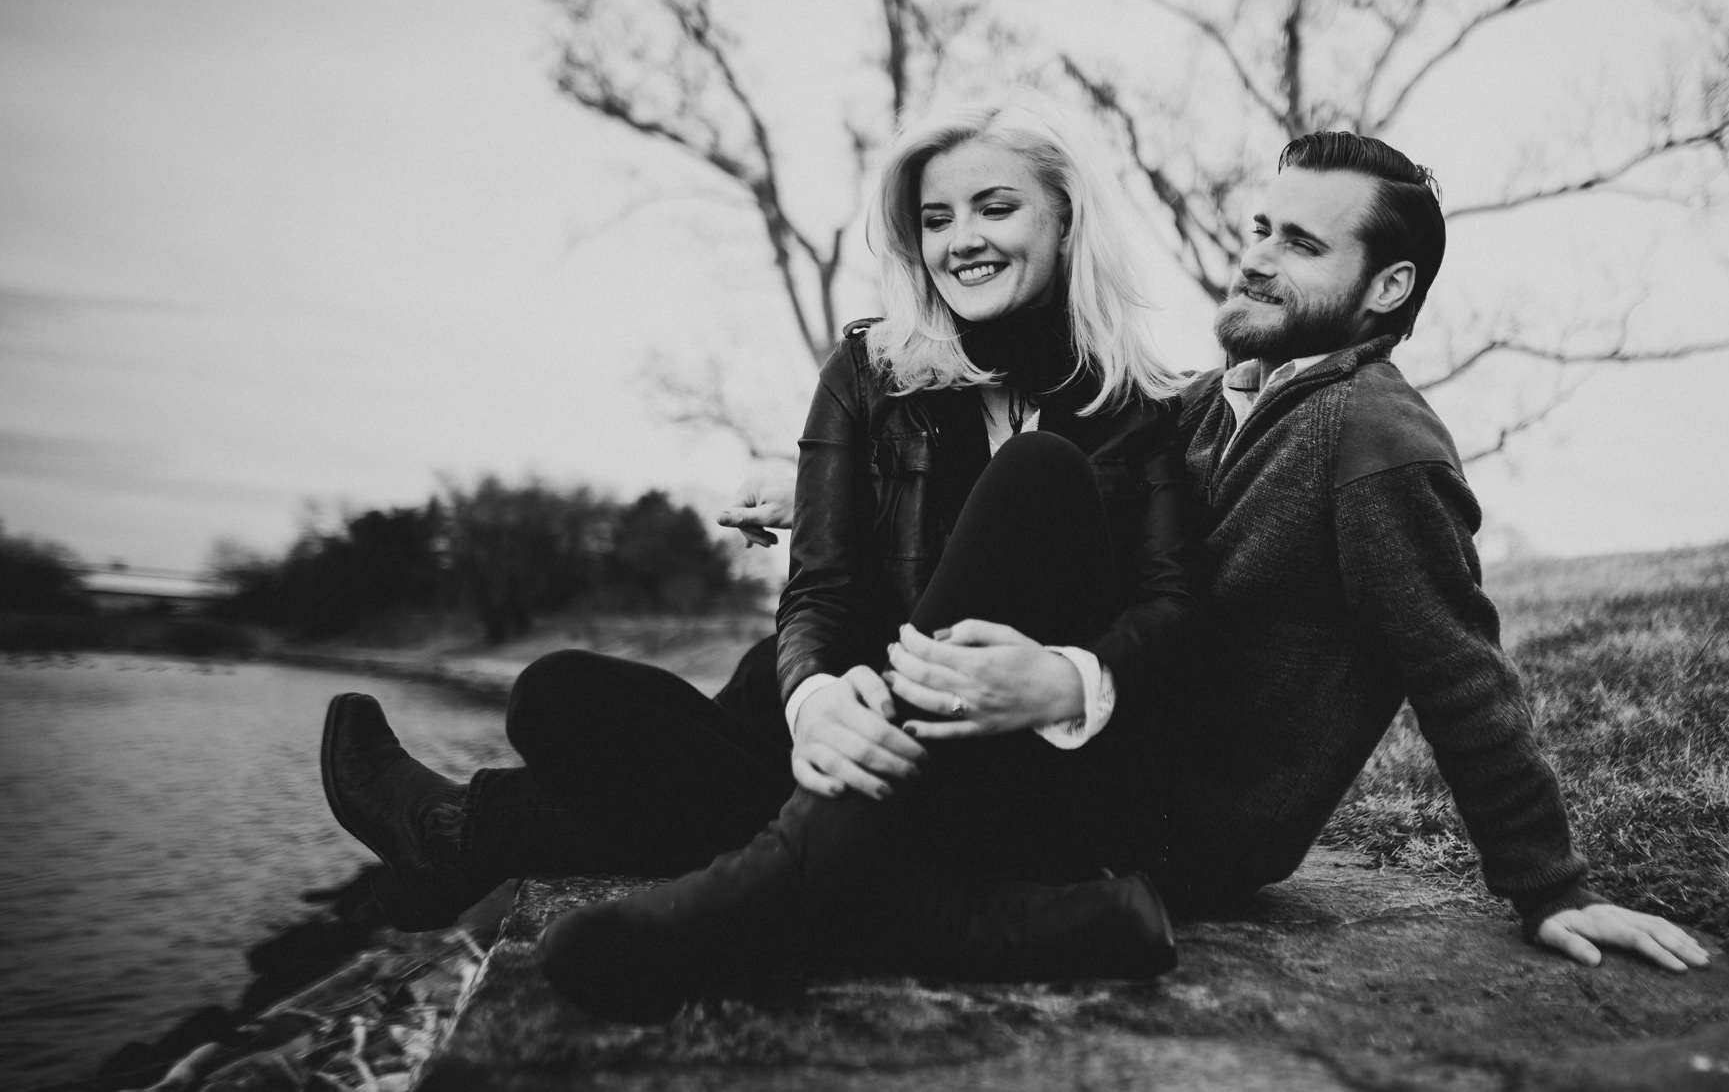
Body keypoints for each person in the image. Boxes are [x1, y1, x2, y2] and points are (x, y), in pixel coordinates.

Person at [726, 129, 1711, 975]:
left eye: (1298, 243)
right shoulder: (1208, 402)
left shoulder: (1374, 442)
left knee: (1015, 504)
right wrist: (830, 494)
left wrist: (1549, 888)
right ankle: (879, 884)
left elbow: (1456, 666)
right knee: (671, 719)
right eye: (1255, 230)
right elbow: (1050, 516)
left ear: (1386, 285)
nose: (1252, 258)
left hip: (1176, 822)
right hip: (1095, 757)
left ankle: (814, 882)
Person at [319, 93, 1200, 1018]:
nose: (961, 240)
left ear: (1065, 217)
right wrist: (816, 701)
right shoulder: (870, 369)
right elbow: (818, 588)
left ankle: (513, 843)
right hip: (873, 747)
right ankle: (925, 911)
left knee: (1038, 471)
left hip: (1023, 776)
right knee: (558, 696)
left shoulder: (1134, 405)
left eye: (996, 206)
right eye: (937, 218)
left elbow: (1174, 607)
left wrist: (1068, 682)